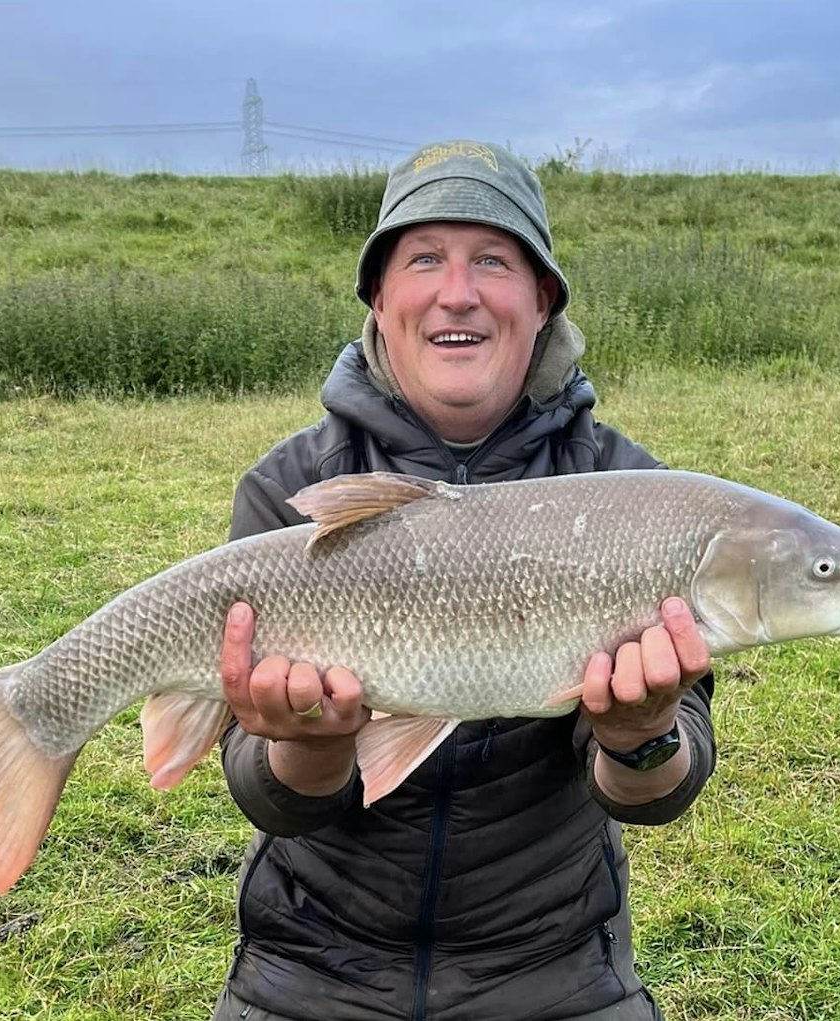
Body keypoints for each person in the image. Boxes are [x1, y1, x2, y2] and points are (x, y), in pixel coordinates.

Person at [211, 140, 716, 1021]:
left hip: (554, 969)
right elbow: (262, 786)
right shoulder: (290, 489)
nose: (458, 291)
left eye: (493, 259)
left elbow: (662, 786)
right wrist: (316, 745)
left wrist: (640, 734)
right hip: (312, 963)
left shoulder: (637, 493)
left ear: (541, 299)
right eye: (424, 259)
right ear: (379, 296)